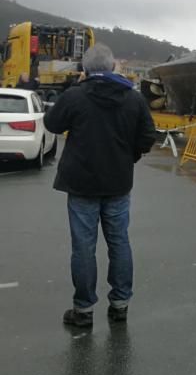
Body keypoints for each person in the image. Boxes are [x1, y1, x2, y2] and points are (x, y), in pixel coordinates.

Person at [44, 44, 158, 328]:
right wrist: (128, 157)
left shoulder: (76, 96)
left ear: (85, 69)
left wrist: (74, 89)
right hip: (118, 184)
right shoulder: (133, 99)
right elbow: (147, 137)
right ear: (112, 67)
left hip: (81, 184)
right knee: (119, 242)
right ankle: (120, 304)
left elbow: (52, 124)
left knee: (83, 247)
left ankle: (83, 310)